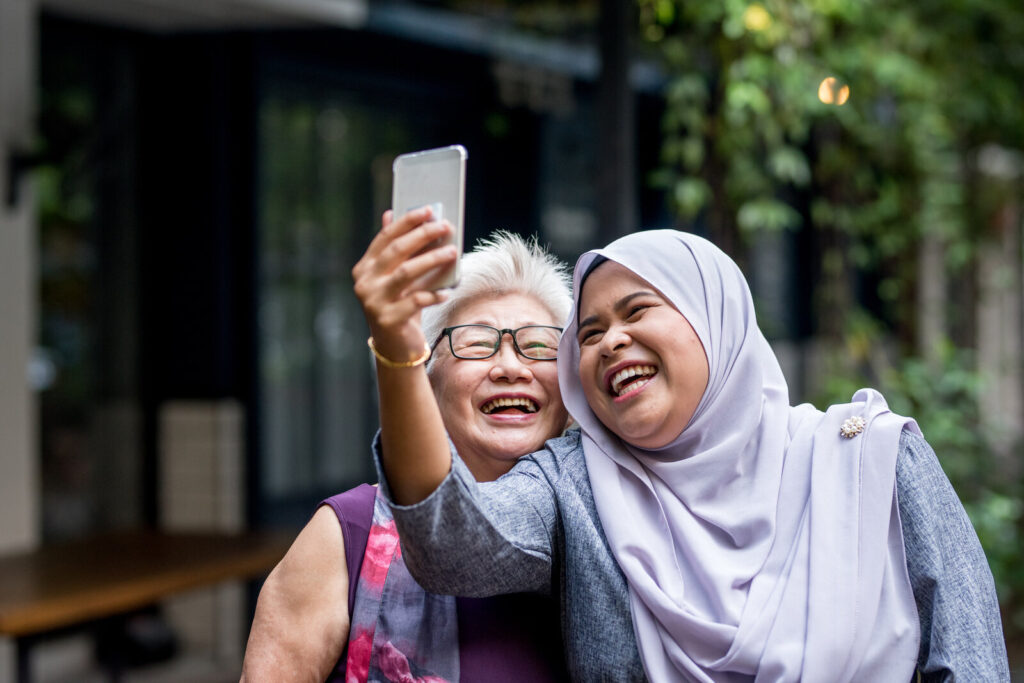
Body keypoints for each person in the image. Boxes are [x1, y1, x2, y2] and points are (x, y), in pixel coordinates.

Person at [365, 222, 1010, 681]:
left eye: (637, 310)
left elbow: (971, 663)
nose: (611, 341)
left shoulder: (870, 460)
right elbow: (452, 548)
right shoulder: (574, 485)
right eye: (588, 334)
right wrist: (397, 346)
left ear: (715, 320)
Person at [240, 217, 573, 682]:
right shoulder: (346, 536)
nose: (509, 366)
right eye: (477, 345)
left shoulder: (602, 534)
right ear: (427, 381)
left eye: (539, 347)